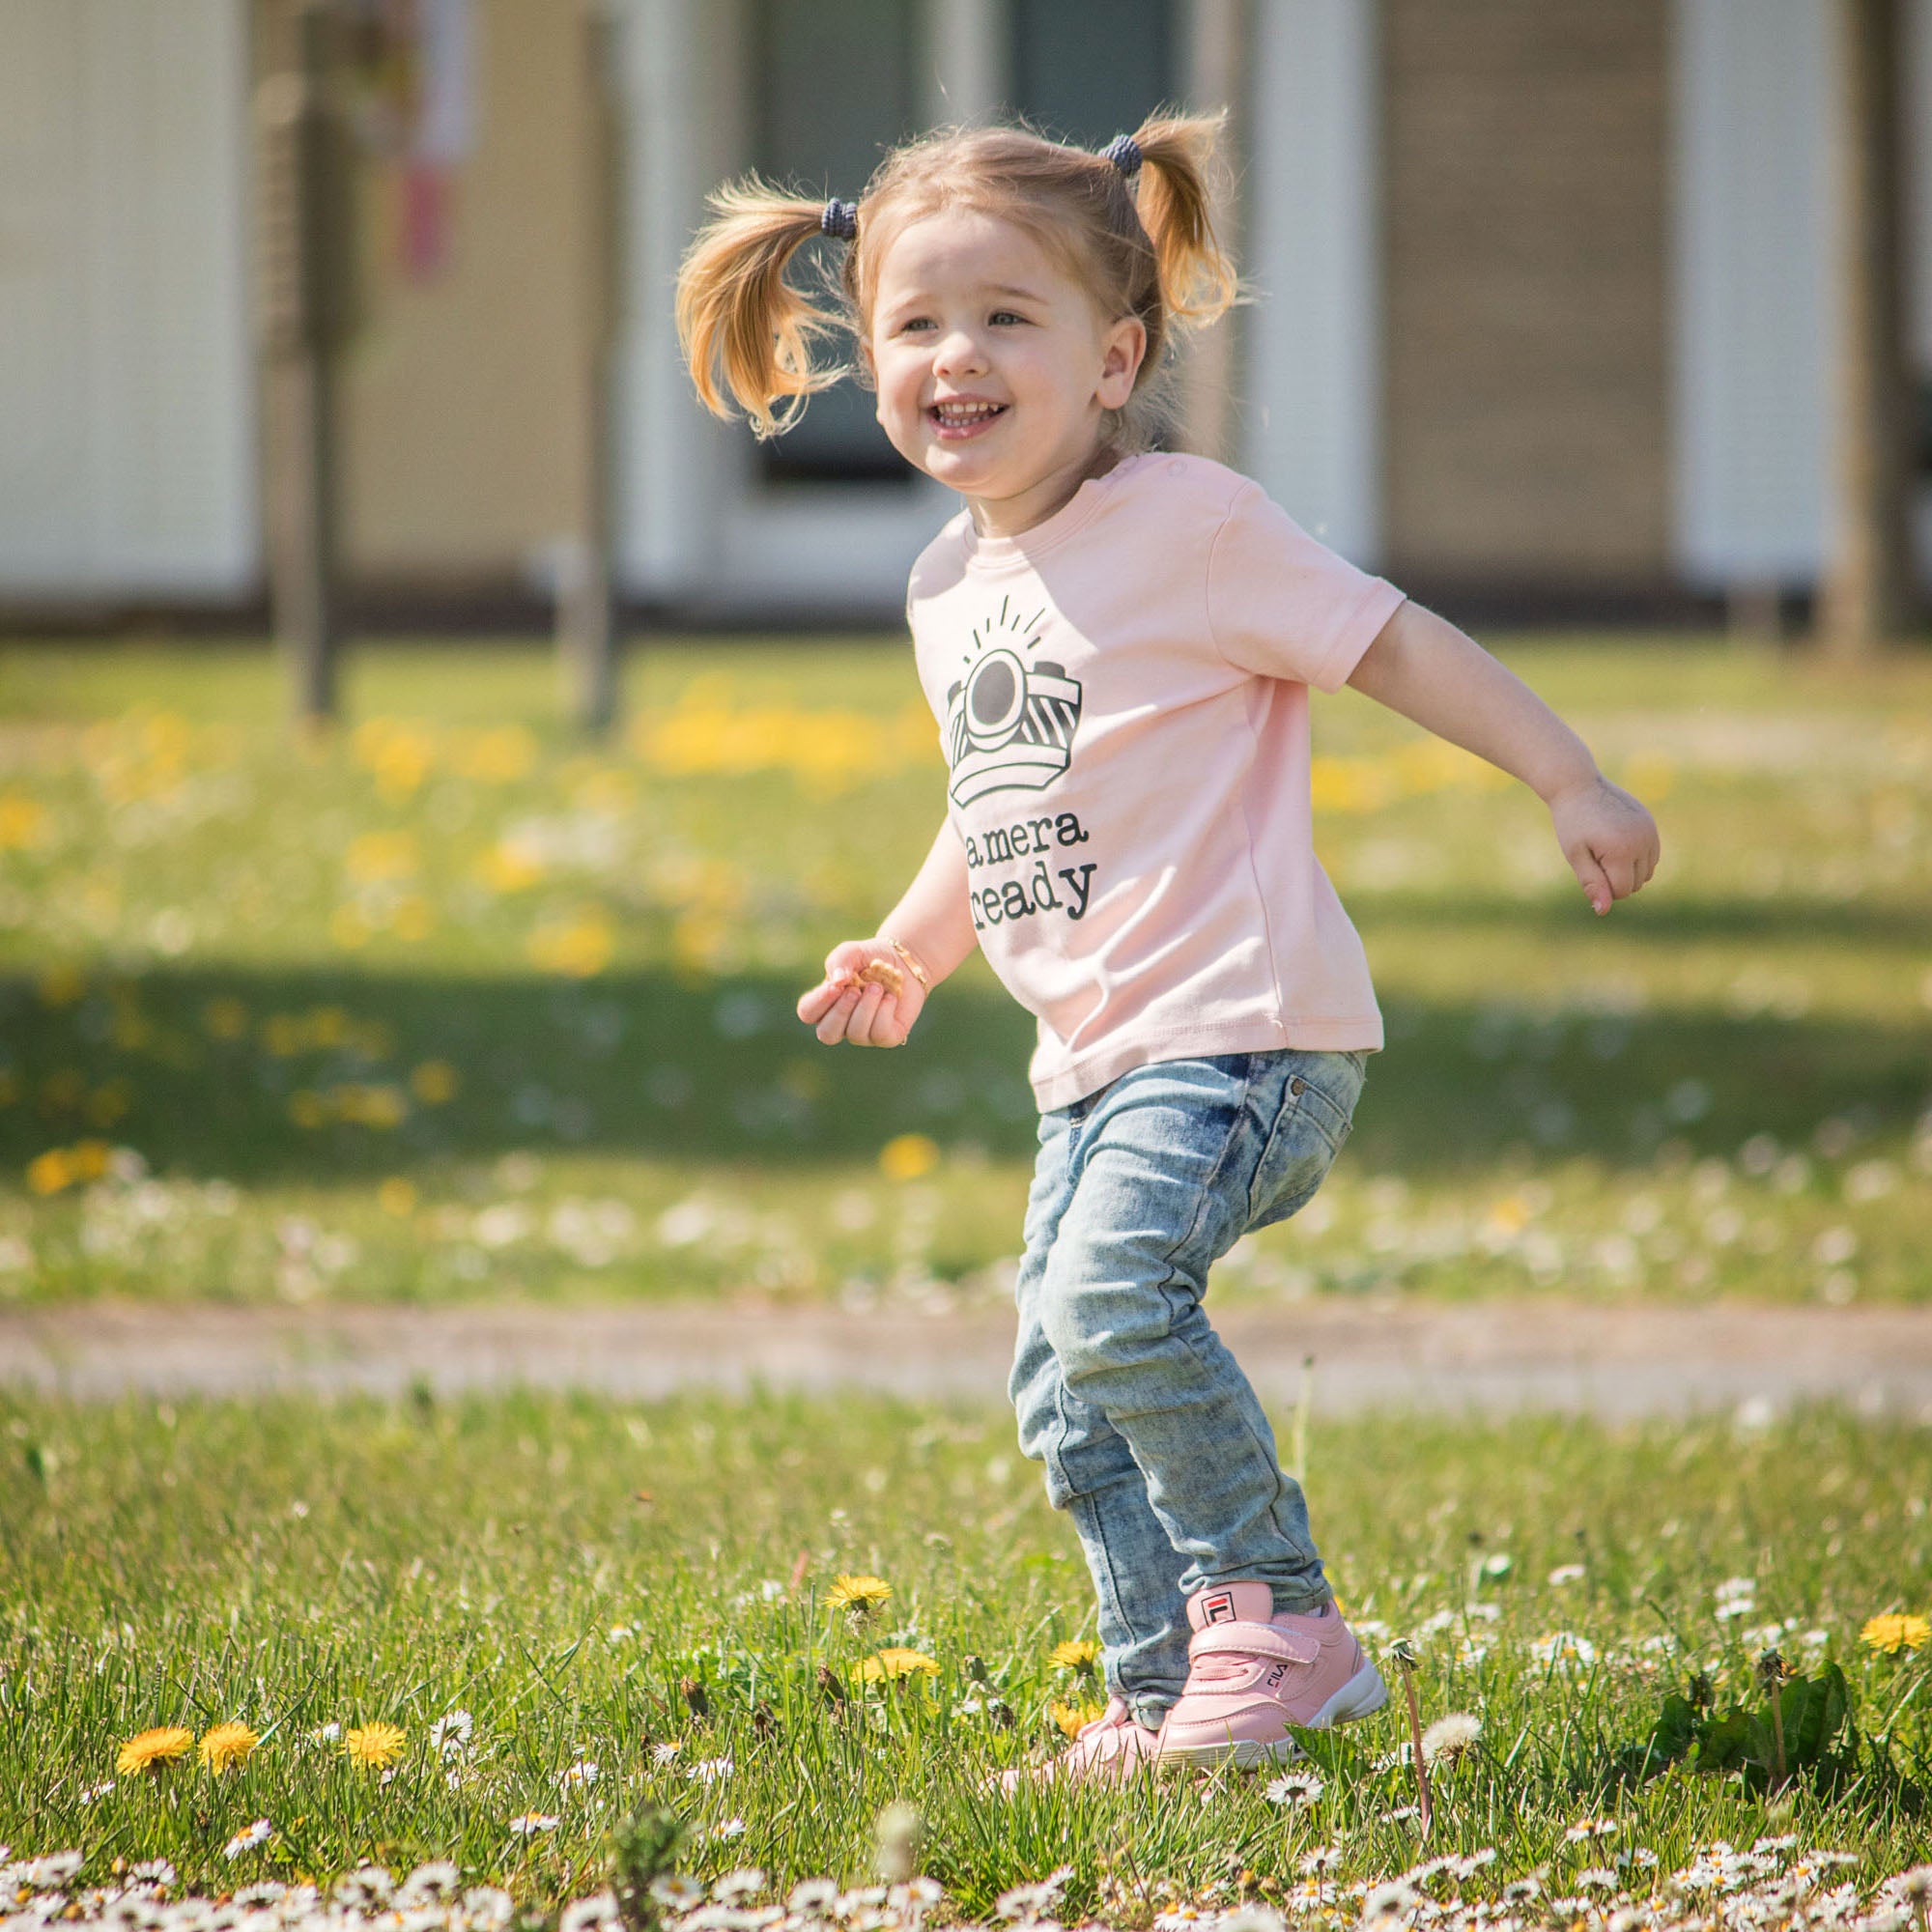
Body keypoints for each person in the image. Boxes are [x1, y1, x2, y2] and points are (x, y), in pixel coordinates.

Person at [674, 111, 1660, 1783]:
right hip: (1098, 1063)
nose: (954, 357)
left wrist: (1566, 772)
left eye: (1006, 318)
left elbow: (1391, 644)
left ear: (1114, 355)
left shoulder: (1194, 525)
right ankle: (1164, 1703)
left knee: (1113, 1294)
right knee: (1060, 1390)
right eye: (914, 324)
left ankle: (1280, 1628)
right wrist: (915, 947)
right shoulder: (948, 582)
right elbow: (998, 801)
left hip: (1244, 1034)